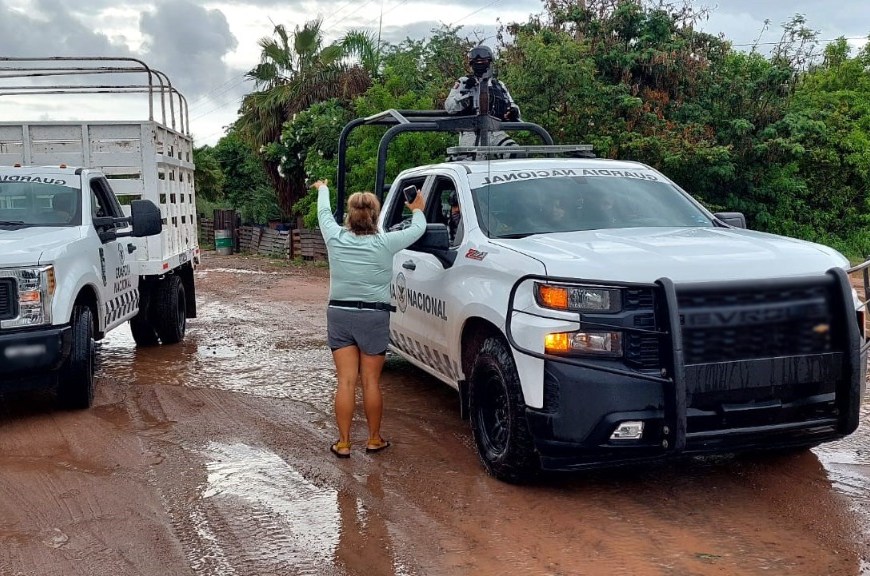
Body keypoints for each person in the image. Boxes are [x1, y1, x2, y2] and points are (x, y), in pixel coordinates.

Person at [314, 179, 427, 458]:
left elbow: (324, 212)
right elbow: (418, 229)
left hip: (340, 313)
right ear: (375, 216)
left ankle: (343, 443)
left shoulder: (335, 237)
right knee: (371, 382)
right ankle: (374, 439)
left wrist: (323, 188)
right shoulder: (386, 242)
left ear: (349, 216)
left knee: (346, 381)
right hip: (374, 316)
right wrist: (417, 208)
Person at [444, 45, 521, 158]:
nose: (480, 64)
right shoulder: (464, 83)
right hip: (471, 134)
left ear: (490, 62)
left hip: (495, 133)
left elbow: (514, 108)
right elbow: (449, 106)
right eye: (476, 62)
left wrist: (513, 112)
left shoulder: (498, 85)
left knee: (517, 154)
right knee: (474, 162)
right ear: (471, 65)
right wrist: (466, 95)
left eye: (483, 61)